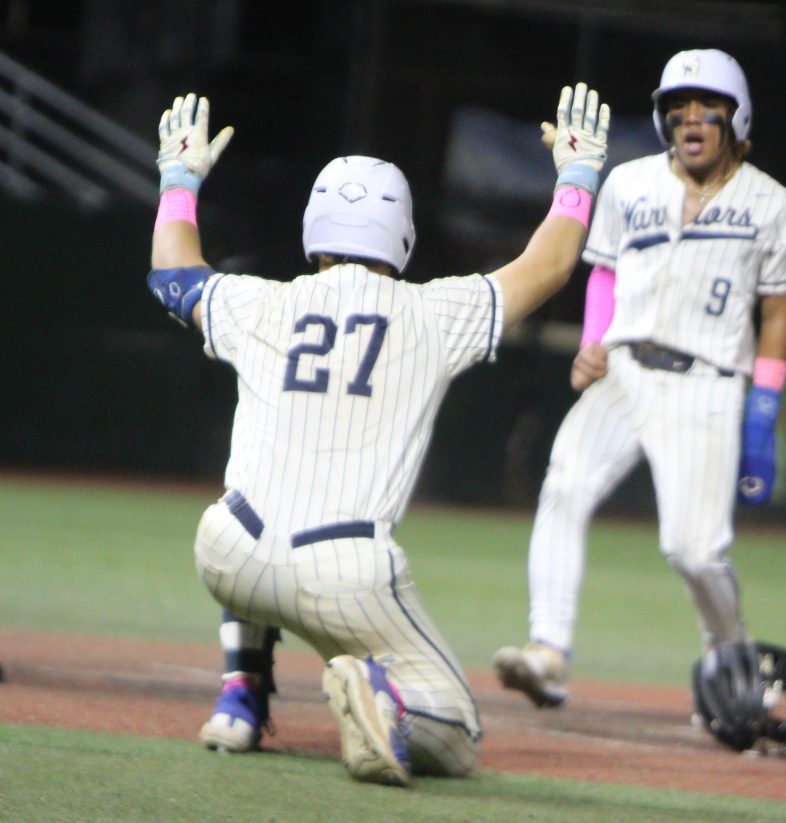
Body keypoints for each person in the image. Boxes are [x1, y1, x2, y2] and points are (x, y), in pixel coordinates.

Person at [147, 85, 610, 786]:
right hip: (346, 575)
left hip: (227, 551)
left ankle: (240, 693)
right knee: (456, 731)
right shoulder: (433, 311)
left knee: (247, 503)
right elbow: (548, 266)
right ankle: (384, 698)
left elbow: (172, 274)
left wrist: (179, 184)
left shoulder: (260, 300)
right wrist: (576, 180)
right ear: (400, 233)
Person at [493, 49, 786, 712]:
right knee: (566, 484)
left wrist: (762, 413)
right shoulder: (630, 184)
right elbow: (605, 274)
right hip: (626, 369)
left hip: (709, 383)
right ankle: (548, 652)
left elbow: (779, 313)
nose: (691, 119)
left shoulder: (775, 206)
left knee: (694, 551)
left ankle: (731, 657)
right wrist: (592, 342)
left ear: (736, 117)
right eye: (678, 108)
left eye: (706, 108)